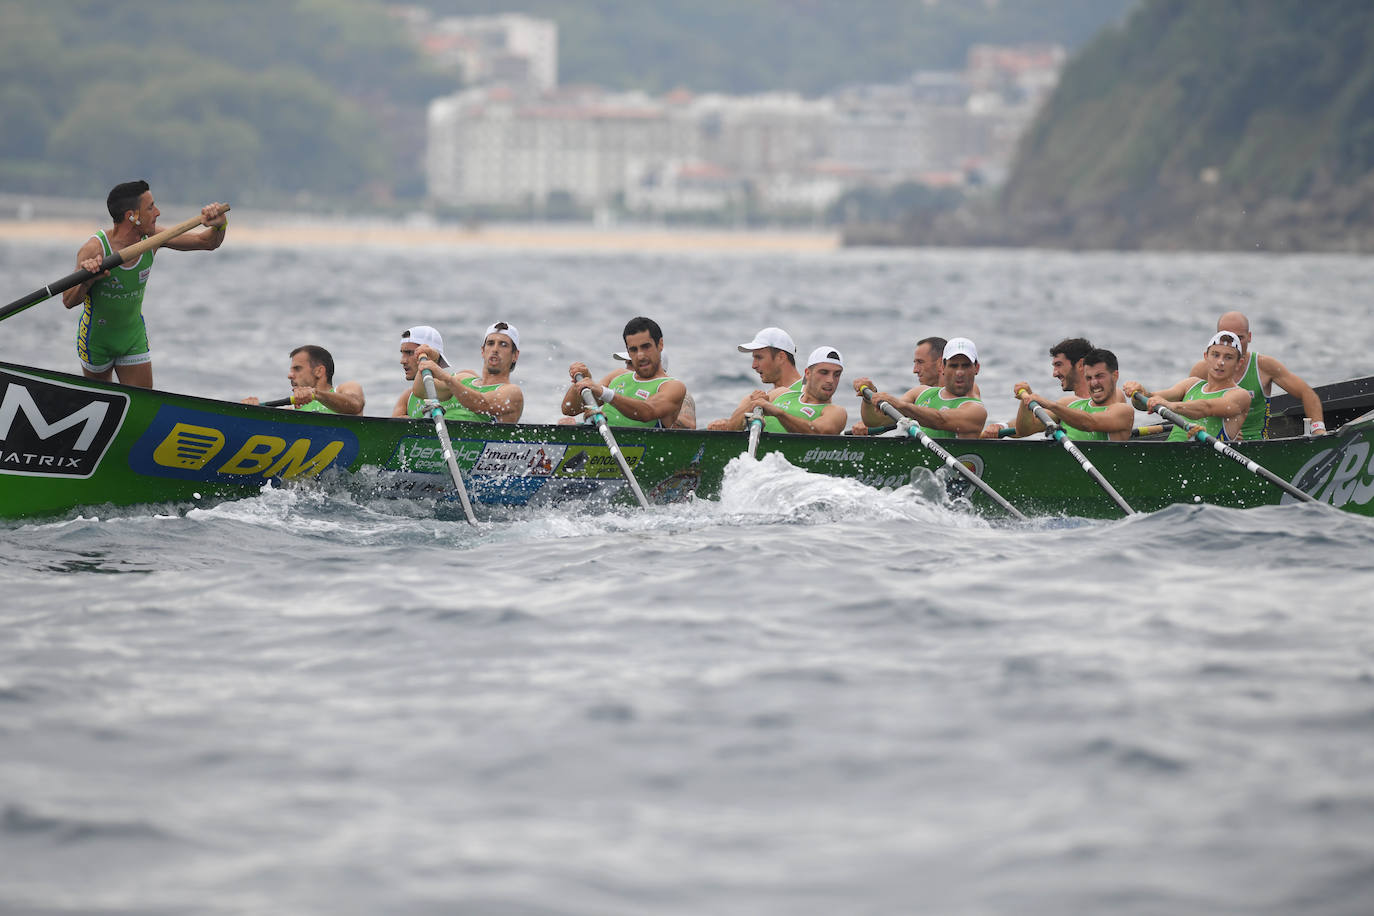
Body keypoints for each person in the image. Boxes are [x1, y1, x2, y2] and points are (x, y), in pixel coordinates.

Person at [61, 180, 229, 388]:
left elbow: (207, 243)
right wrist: (87, 281)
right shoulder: (95, 249)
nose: (157, 212)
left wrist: (220, 225)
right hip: (96, 342)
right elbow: (68, 300)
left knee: (142, 406)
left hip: (133, 339)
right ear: (132, 216)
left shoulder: (154, 238)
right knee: (102, 406)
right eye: (150, 207)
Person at [1186, 311, 1325, 438]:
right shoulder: (1201, 370)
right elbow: (1187, 411)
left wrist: (1318, 429)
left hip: (1254, 444)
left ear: (1250, 337)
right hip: (1214, 441)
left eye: (1239, 337)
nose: (1232, 344)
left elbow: (1307, 393)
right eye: (1227, 337)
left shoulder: (1264, 366)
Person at [1123, 331, 1251, 442]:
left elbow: (1206, 408)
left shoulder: (1240, 395)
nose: (1220, 362)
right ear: (1206, 357)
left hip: (1206, 461)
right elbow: (1144, 404)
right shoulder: (1191, 384)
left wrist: (1169, 405)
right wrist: (1139, 393)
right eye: (1215, 355)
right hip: (1171, 453)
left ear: (1239, 363)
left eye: (1228, 357)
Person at [563, 317, 687, 427]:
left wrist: (605, 393)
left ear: (660, 344)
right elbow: (570, 409)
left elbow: (648, 412)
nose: (640, 356)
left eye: (646, 347)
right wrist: (580, 384)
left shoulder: (673, 386)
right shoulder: (617, 376)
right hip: (603, 447)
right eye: (633, 349)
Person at [853, 337, 987, 439]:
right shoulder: (920, 393)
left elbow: (940, 420)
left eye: (965, 366)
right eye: (953, 366)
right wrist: (869, 399)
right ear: (942, 367)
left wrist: (901, 406)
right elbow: (875, 422)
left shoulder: (976, 411)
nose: (959, 372)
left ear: (976, 368)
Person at [1010, 347, 1134, 441]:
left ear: (1115, 375)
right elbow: (1024, 430)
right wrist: (1026, 398)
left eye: (1099, 376)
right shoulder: (1069, 404)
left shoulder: (1123, 411)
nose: (1094, 383)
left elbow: (1089, 423)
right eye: (1089, 378)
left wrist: (1050, 405)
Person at [412, 322, 523, 423]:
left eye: (503, 345)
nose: (495, 349)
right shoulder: (463, 379)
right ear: (483, 351)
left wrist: (446, 378)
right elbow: (421, 391)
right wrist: (432, 360)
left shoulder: (512, 392)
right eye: (490, 343)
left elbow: (481, 404)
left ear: (515, 355)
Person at [984, 336, 1092, 438]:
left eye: (1059, 365)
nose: (1054, 374)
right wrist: (1003, 426)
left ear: (1080, 365)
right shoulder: (1067, 404)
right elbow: (1026, 429)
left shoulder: (1107, 403)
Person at [707, 326, 803, 431]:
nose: (754, 365)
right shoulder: (752, 399)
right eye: (754, 358)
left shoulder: (809, 390)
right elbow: (732, 428)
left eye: (759, 357)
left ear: (781, 357)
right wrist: (724, 425)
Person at [851, 336, 946, 436]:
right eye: (915, 363)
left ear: (940, 363)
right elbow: (876, 421)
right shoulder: (917, 393)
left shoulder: (961, 397)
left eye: (920, 362)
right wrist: (868, 398)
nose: (915, 370)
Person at [745, 347, 848, 435]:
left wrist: (779, 413)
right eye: (824, 372)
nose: (830, 380)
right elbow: (733, 425)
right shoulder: (780, 393)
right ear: (807, 373)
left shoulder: (836, 412)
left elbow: (818, 432)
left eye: (837, 374)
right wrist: (752, 404)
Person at [242, 345, 365, 414]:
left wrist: (315, 394)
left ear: (319, 371)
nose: (290, 375)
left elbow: (356, 406)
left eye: (297, 369)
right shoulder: (294, 410)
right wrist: (251, 411)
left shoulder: (346, 388)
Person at [391, 325, 449, 418]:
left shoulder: (458, 385)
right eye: (403, 354)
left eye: (410, 353)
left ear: (430, 353)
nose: (402, 361)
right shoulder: (406, 398)